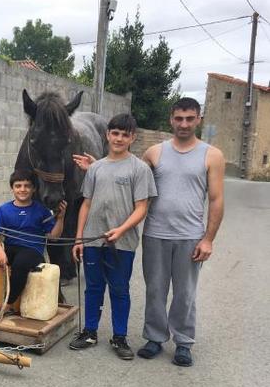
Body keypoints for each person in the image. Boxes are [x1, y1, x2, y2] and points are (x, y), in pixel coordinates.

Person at [137, 97, 225, 366]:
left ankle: (184, 342)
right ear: (171, 119)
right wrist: (97, 166)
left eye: (190, 118)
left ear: (199, 119)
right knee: (155, 290)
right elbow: (131, 179)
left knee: (185, 293)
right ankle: (154, 337)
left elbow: (216, 200)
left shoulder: (212, 155)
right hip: (155, 234)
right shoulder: (154, 152)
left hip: (190, 236)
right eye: (179, 118)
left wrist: (208, 239)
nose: (184, 124)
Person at [69, 113, 157, 360]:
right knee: (93, 287)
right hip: (93, 240)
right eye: (115, 133)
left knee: (119, 288)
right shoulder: (95, 168)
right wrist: (78, 238)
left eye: (124, 134)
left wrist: (121, 230)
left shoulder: (139, 169)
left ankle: (120, 336)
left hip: (123, 242)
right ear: (107, 135)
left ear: (132, 138)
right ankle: (89, 331)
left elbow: (142, 207)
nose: (119, 138)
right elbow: (85, 204)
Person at [0, 170, 66, 321]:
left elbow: (54, 237)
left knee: (20, 263)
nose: (22, 189)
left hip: (32, 251)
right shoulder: (4, 209)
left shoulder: (41, 210)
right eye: (18, 186)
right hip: (10, 248)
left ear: (33, 189)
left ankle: (9, 303)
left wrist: (61, 219)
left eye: (27, 186)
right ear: (12, 189)